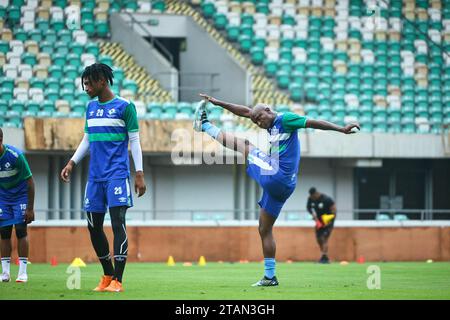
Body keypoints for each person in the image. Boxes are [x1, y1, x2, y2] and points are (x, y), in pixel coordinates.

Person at [195, 94, 359, 286]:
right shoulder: (267, 122)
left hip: (277, 175)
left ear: (268, 110)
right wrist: (218, 102)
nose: (258, 122)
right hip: (284, 186)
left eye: (259, 118)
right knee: (264, 229)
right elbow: (245, 111)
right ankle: (270, 277)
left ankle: (204, 124)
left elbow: (313, 123)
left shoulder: (285, 119)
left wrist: (341, 129)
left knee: (244, 146)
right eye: (255, 121)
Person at [60, 63, 146, 293]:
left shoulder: (125, 107)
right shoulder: (90, 107)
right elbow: (87, 139)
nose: (85, 87)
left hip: (117, 176)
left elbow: (135, 141)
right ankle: (107, 274)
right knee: (93, 226)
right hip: (94, 178)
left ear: (102, 81)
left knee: (118, 224)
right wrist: (71, 162)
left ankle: (118, 280)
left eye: (88, 83)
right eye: (84, 83)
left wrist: (139, 173)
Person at [0, 128, 35, 283]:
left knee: (21, 230)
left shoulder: (15, 156)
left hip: (20, 196)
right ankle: (5, 273)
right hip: (3, 197)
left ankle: (22, 273)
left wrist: (30, 208)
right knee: (4, 232)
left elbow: (30, 182)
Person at [307, 187, 336, 264]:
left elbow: (334, 210)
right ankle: (324, 256)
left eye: (313, 196)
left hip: (328, 220)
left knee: (324, 238)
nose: (312, 198)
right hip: (319, 221)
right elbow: (309, 208)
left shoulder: (326, 199)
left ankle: (324, 257)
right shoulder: (310, 198)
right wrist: (313, 215)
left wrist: (329, 221)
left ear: (316, 193)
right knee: (319, 239)